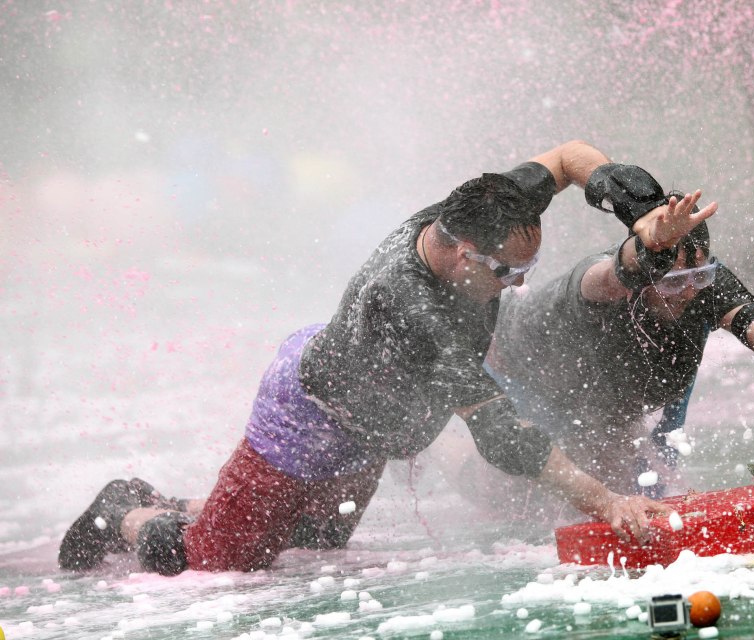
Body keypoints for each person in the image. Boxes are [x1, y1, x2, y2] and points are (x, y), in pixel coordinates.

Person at [58, 141, 689, 576]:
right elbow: (503, 438)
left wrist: (637, 208)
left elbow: (565, 156)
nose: (518, 285)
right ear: (464, 253)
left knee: (315, 537)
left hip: (371, 415)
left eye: (527, 269)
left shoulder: (481, 210)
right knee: (213, 561)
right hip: (309, 420)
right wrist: (609, 503)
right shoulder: (416, 310)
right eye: (507, 272)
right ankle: (126, 510)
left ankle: (205, 505)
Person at [486, 165, 754, 499]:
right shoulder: (602, 282)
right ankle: (446, 453)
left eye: (700, 276)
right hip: (517, 364)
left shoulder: (703, 282)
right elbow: (611, 273)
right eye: (674, 281)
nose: (690, 290)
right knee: (513, 496)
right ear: (643, 275)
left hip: (634, 386)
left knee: (652, 489)